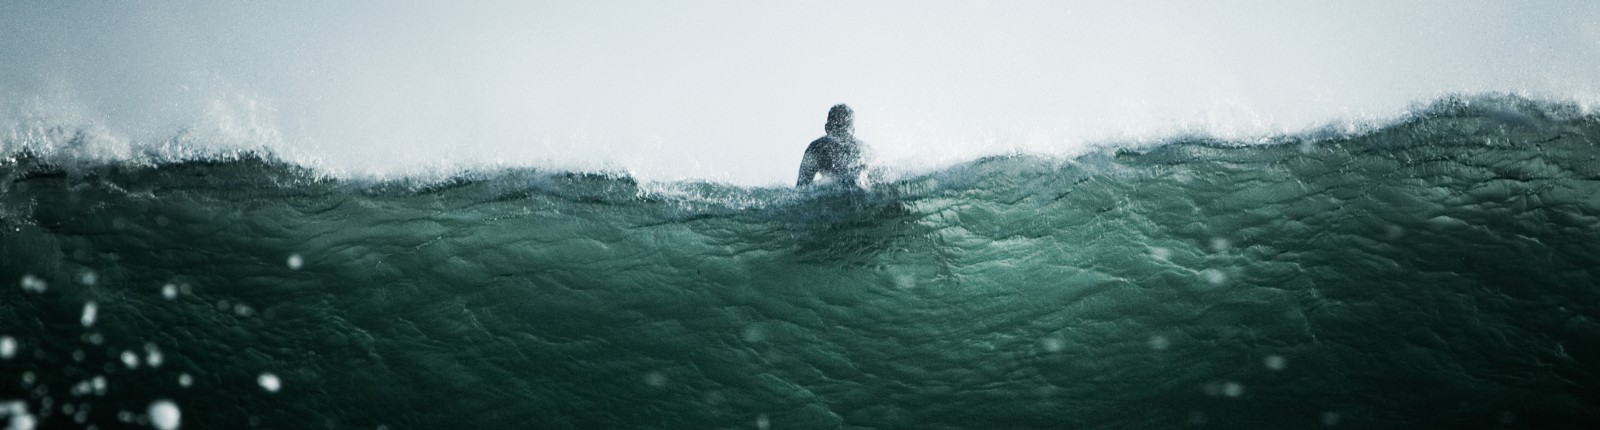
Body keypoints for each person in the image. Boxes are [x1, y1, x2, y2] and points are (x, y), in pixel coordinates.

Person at [796, 104, 869, 187]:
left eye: (843, 128)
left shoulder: (816, 148)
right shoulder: (865, 149)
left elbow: (801, 187)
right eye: (838, 127)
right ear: (852, 131)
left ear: (827, 128)